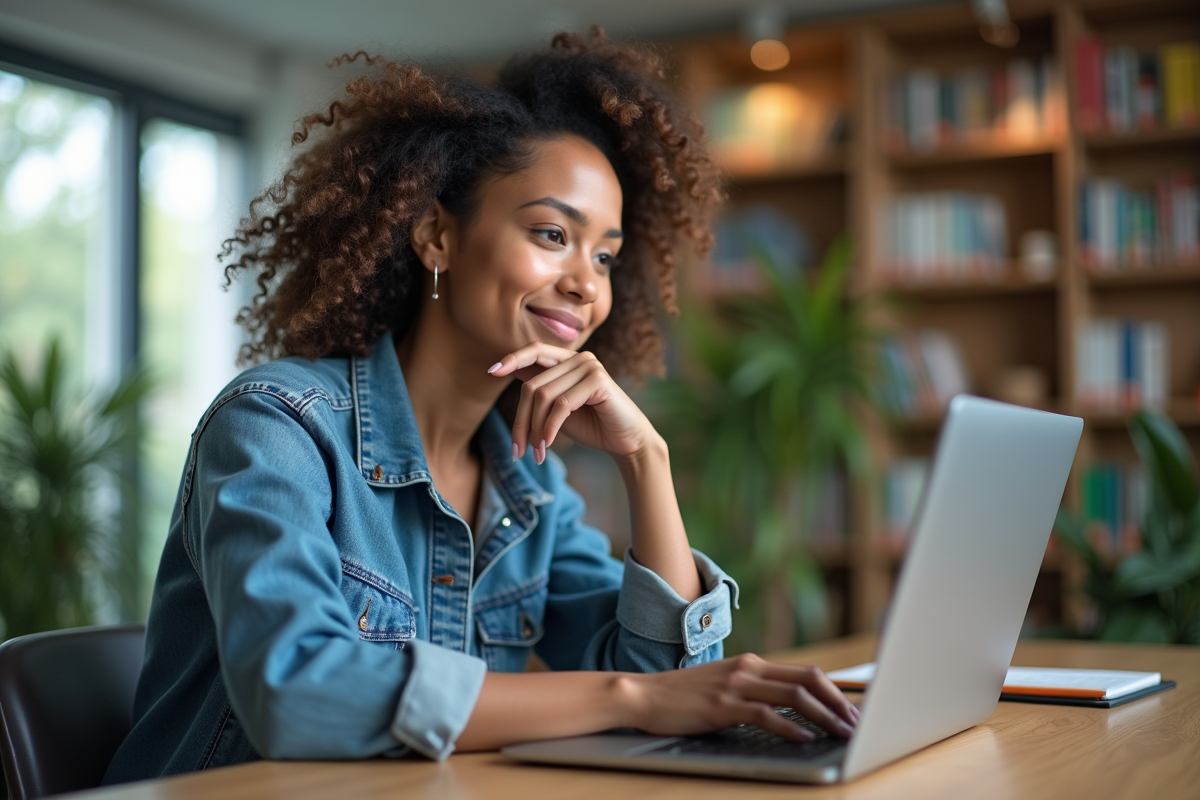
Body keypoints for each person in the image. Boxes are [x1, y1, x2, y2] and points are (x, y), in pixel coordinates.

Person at [103, 29, 858, 784]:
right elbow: (298, 694)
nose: (586, 285)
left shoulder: (529, 490)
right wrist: (632, 696)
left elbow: (670, 678)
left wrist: (645, 461)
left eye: (605, 256)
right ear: (436, 234)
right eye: (552, 234)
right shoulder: (277, 427)